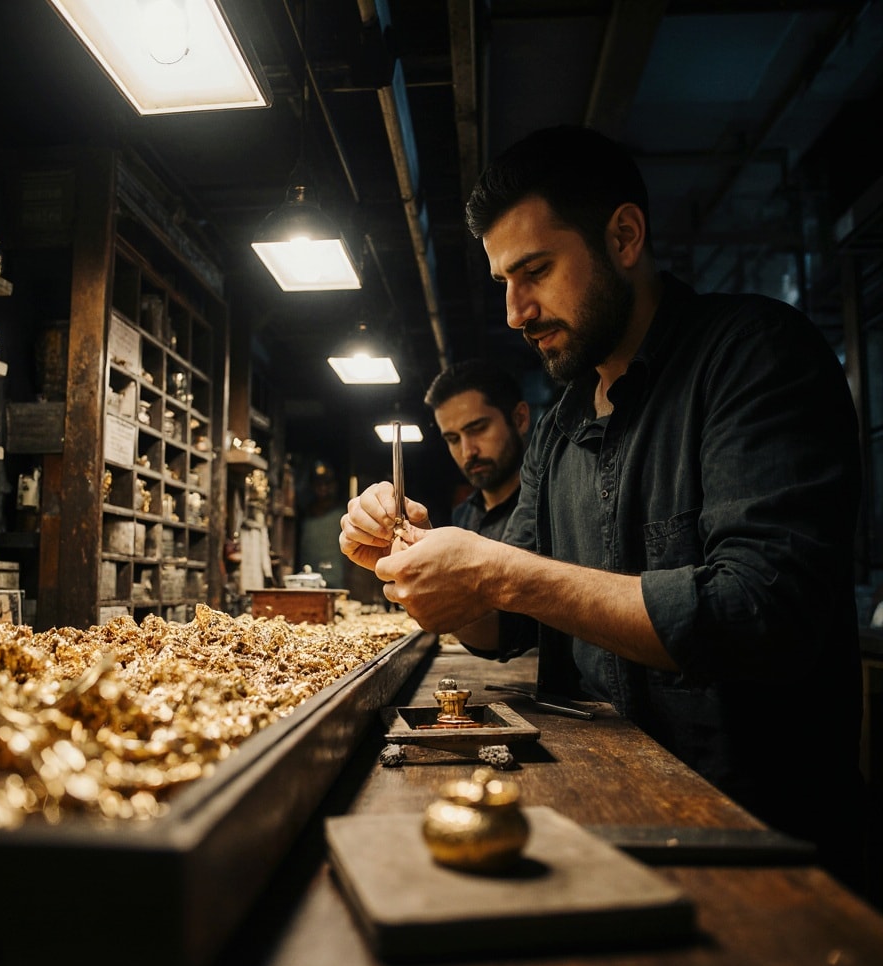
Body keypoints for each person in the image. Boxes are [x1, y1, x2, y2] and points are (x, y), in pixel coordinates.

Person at [339, 124, 866, 889]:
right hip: (600, 815)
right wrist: (418, 555)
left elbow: (764, 613)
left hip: (763, 843)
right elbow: (503, 626)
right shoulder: (559, 428)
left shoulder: (756, 357)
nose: (518, 311)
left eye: (537, 271)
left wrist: (498, 573)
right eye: (504, 284)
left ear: (623, 236)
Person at [424, 358, 531, 539]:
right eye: (453, 439)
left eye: (478, 429)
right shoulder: (462, 516)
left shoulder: (550, 508)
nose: (468, 452)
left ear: (519, 419)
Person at [296, 459, 348, 589]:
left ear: (335, 485)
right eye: (318, 483)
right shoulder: (306, 515)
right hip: (307, 582)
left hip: (337, 582)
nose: (323, 488)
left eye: (327, 483)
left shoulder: (343, 514)